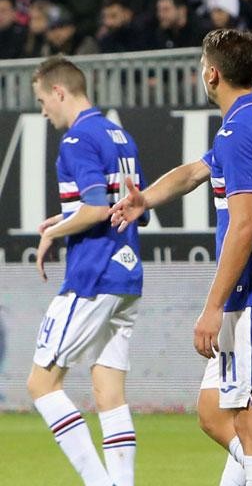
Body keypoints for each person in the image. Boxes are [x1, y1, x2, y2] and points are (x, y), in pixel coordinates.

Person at [111, 28, 252, 486]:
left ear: (211, 74)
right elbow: (196, 171)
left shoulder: (239, 133)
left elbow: (244, 225)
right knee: (214, 411)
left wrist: (213, 307)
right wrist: (146, 200)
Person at [27, 57, 147, 486]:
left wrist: (55, 231)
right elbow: (139, 212)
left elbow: (97, 208)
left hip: (93, 276)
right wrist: (63, 220)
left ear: (60, 92)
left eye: (43, 101)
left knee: (42, 383)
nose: (43, 111)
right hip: (128, 276)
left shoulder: (77, 140)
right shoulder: (121, 136)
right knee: (108, 392)